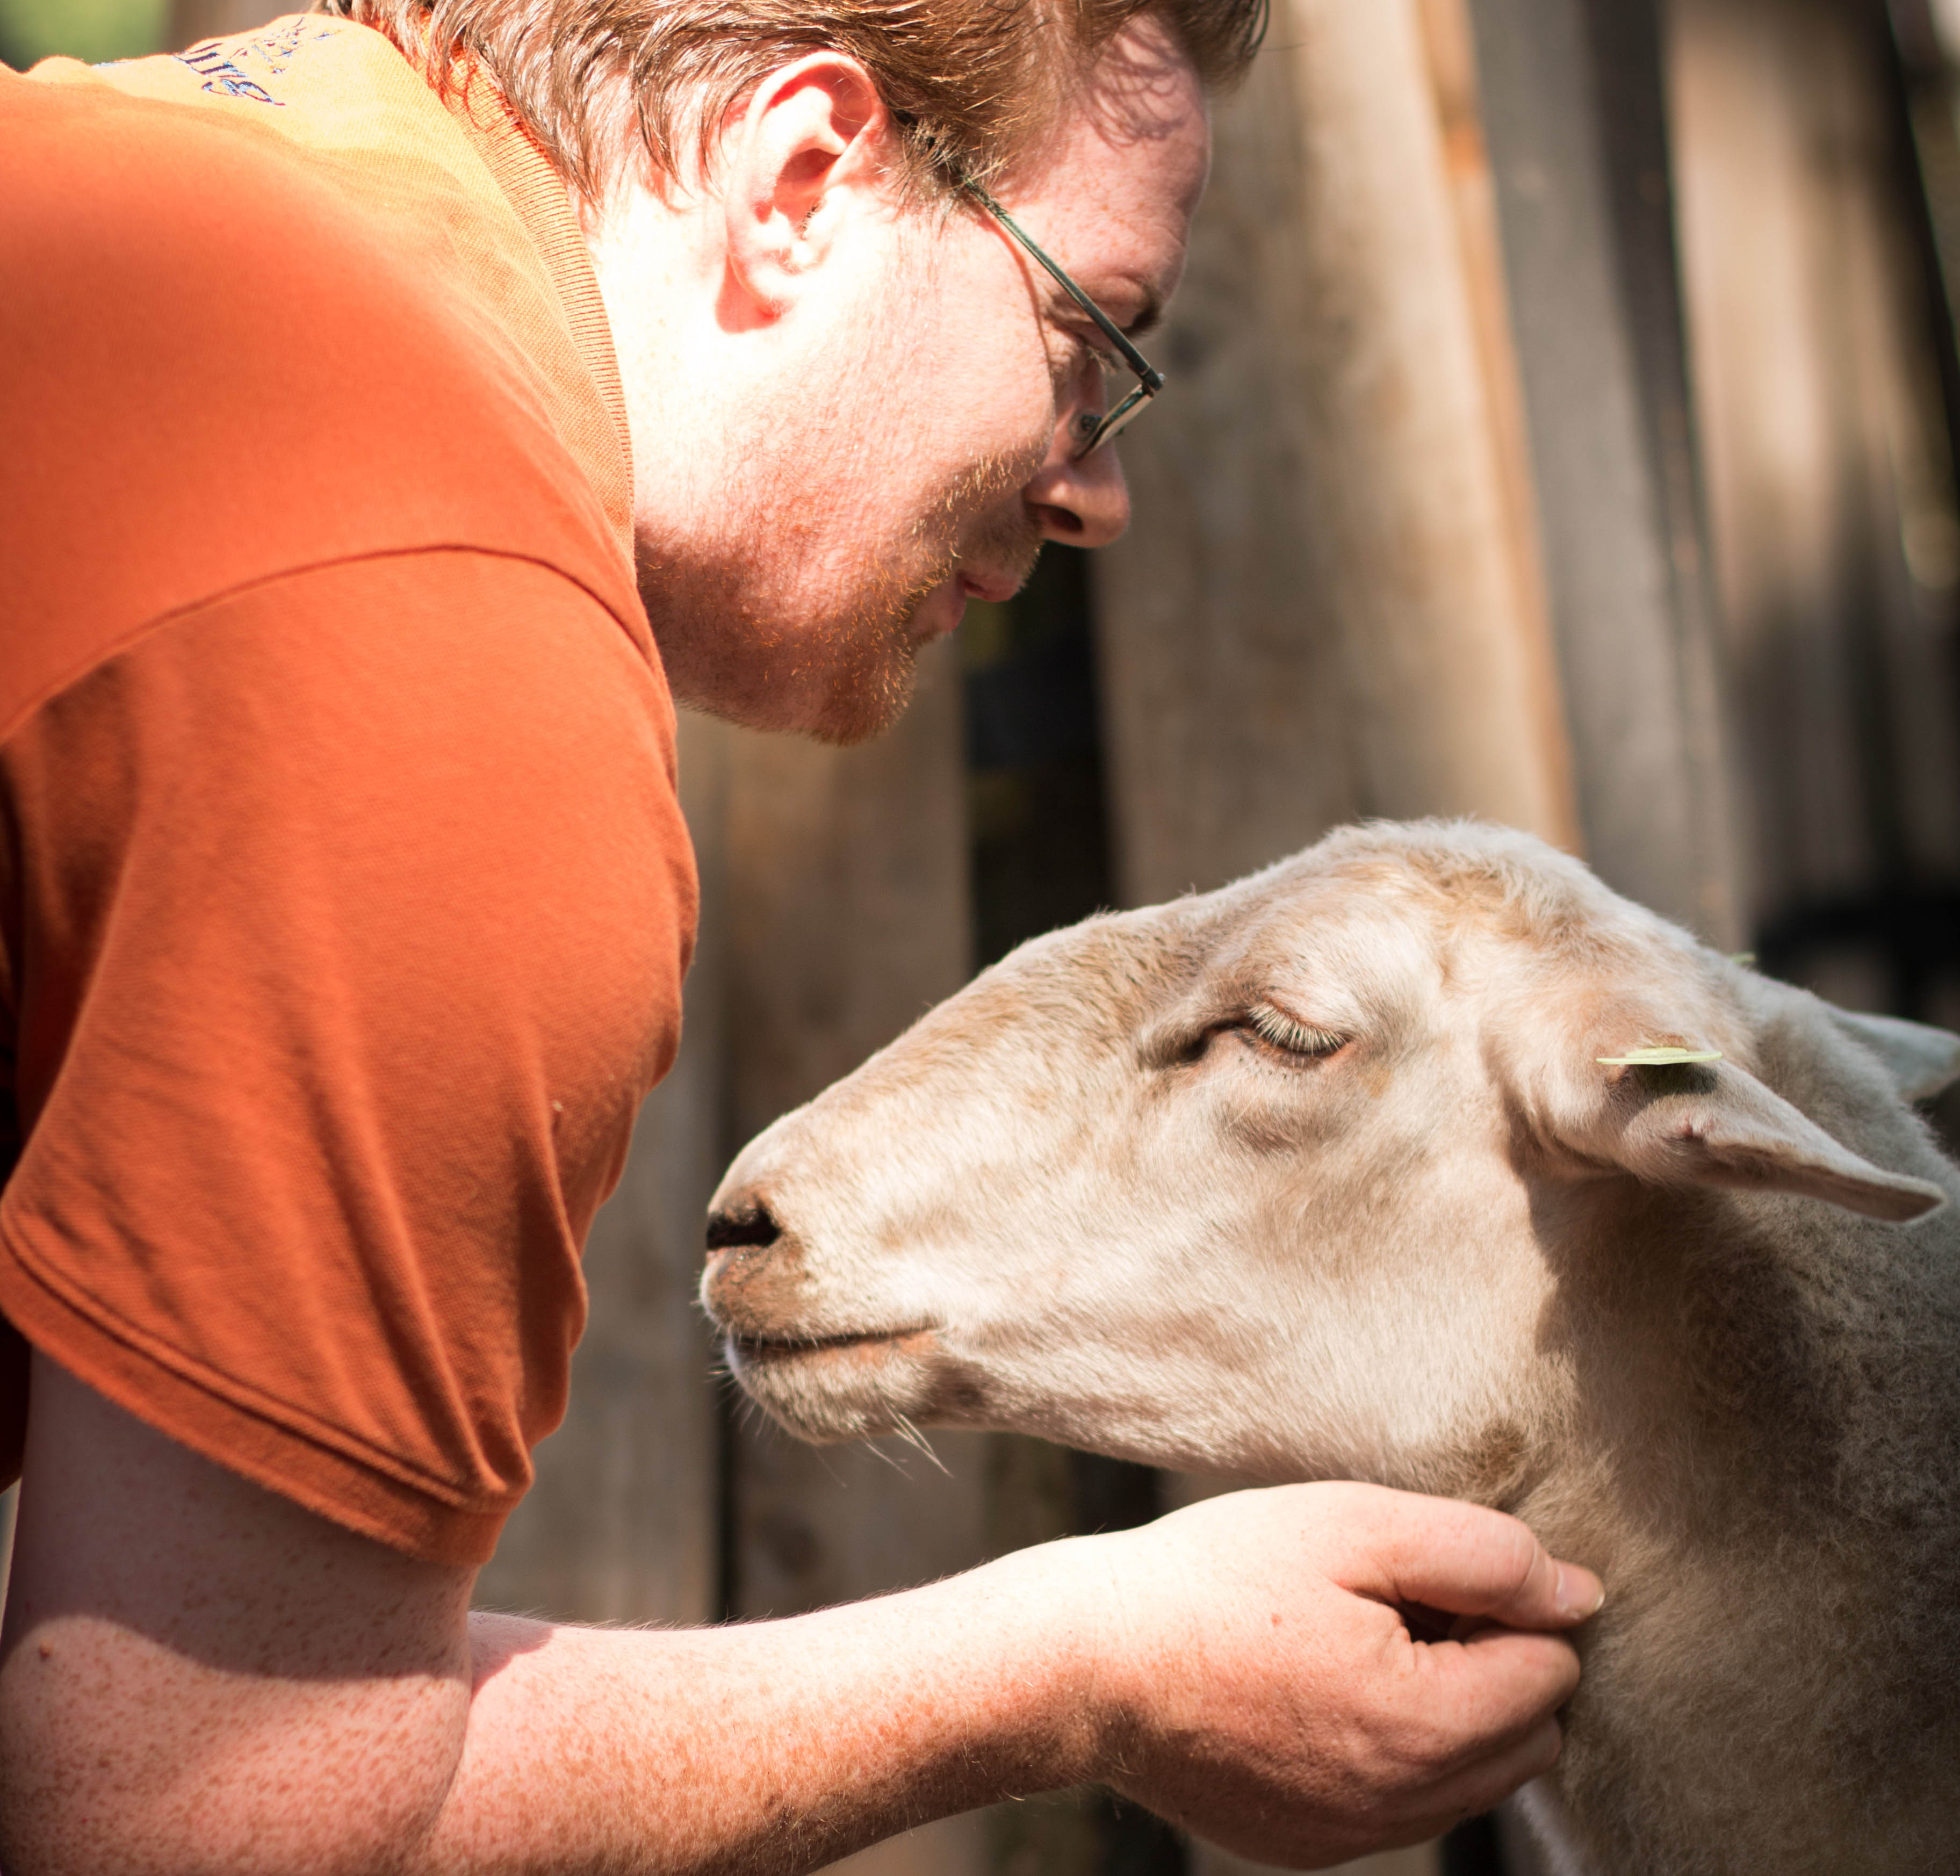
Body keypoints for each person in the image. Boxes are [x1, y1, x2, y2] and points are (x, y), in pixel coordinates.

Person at [0, 4, 1603, 1870]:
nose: (1098, 487)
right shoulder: (438, 656)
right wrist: (1085, 1666)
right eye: (1087, 336)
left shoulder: (171, 182)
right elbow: (185, 1827)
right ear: (803, 180)